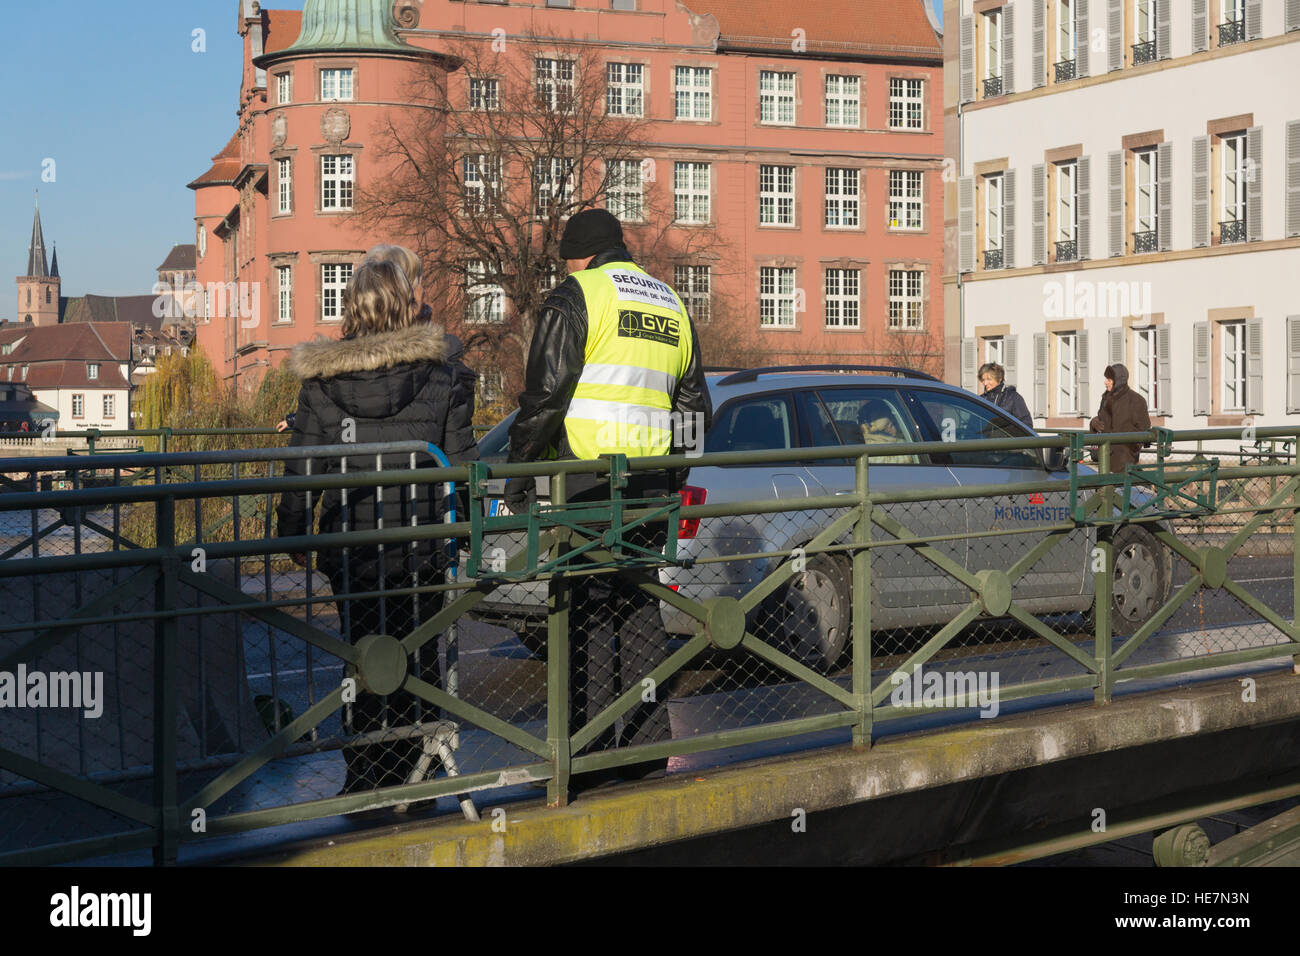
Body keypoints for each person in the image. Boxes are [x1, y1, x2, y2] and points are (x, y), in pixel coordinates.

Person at [503, 209, 711, 790]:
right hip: (648, 486)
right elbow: (695, 408)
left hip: (587, 483)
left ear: (581, 254)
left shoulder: (577, 295)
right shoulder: (669, 300)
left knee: (586, 609)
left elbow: (544, 396)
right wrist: (674, 475)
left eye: (564, 256)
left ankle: (586, 754)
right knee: (640, 604)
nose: (562, 266)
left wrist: (517, 477)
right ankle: (644, 751)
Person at [275, 259, 477, 794]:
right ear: (405, 306)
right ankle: (422, 769)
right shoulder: (443, 377)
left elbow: (304, 466)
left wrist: (292, 531)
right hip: (423, 544)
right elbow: (465, 465)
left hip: (354, 543)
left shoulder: (322, 382)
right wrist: (470, 531)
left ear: (352, 311)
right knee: (422, 652)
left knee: (362, 654)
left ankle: (366, 774)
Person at [1089, 363, 1150, 473]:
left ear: (1118, 381)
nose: (1105, 382)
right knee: (1104, 489)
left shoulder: (1137, 400)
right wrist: (1093, 423)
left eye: (1109, 379)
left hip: (1125, 462)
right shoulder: (1106, 398)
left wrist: (1128, 450)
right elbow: (1101, 420)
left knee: (1123, 489)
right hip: (1104, 459)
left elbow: (1144, 429)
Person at [977, 362, 1032, 429]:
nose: (985, 383)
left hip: (1007, 439)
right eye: (983, 380)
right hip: (985, 439)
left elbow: (1026, 425)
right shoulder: (981, 399)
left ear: (999, 379)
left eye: (989, 379)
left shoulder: (1013, 398)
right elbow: (972, 425)